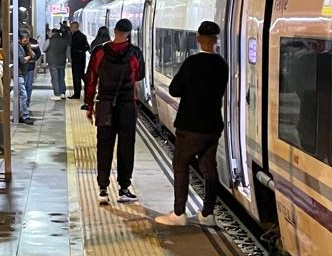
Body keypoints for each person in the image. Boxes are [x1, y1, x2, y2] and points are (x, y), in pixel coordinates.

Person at [156, 21, 228, 227]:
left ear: (198, 38)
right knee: (209, 167)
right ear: (217, 39)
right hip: (213, 125)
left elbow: (174, 90)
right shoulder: (222, 64)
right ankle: (207, 213)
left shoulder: (192, 63)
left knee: (181, 164)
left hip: (190, 126)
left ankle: (179, 213)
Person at [83, 18, 145, 205]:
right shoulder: (134, 53)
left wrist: (89, 105)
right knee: (126, 147)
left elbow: (91, 79)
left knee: (104, 147)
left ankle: (102, 190)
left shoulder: (99, 51)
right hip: (127, 106)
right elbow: (139, 75)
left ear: (115, 30)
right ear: (129, 33)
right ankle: (124, 189)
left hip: (105, 105)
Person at [17, 32, 42, 123]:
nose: (25, 42)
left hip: (29, 68)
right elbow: (22, 60)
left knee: (28, 88)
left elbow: (37, 54)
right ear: (19, 39)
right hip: (20, 70)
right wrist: (28, 58)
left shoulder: (32, 43)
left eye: (27, 40)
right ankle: (24, 112)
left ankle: (25, 107)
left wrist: (30, 51)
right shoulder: (17, 46)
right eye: (24, 40)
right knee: (23, 93)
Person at [67, 21, 90, 100]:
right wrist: (82, 51)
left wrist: (78, 51)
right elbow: (87, 47)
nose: (70, 28)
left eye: (71, 27)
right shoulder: (83, 36)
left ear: (76, 27)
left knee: (76, 77)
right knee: (81, 75)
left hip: (76, 59)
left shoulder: (75, 36)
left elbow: (76, 48)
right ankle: (88, 88)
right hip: (82, 59)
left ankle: (77, 94)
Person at [47, 24, 69, 98]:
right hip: (62, 61)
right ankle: (63, 92)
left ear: (52, 33)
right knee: (61, 77)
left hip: (52, 62)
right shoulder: (64, 40)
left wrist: (49, 39)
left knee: (55, 78)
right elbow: (67, 51)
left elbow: (44, 48)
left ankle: (57, 93)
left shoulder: (49, 40)